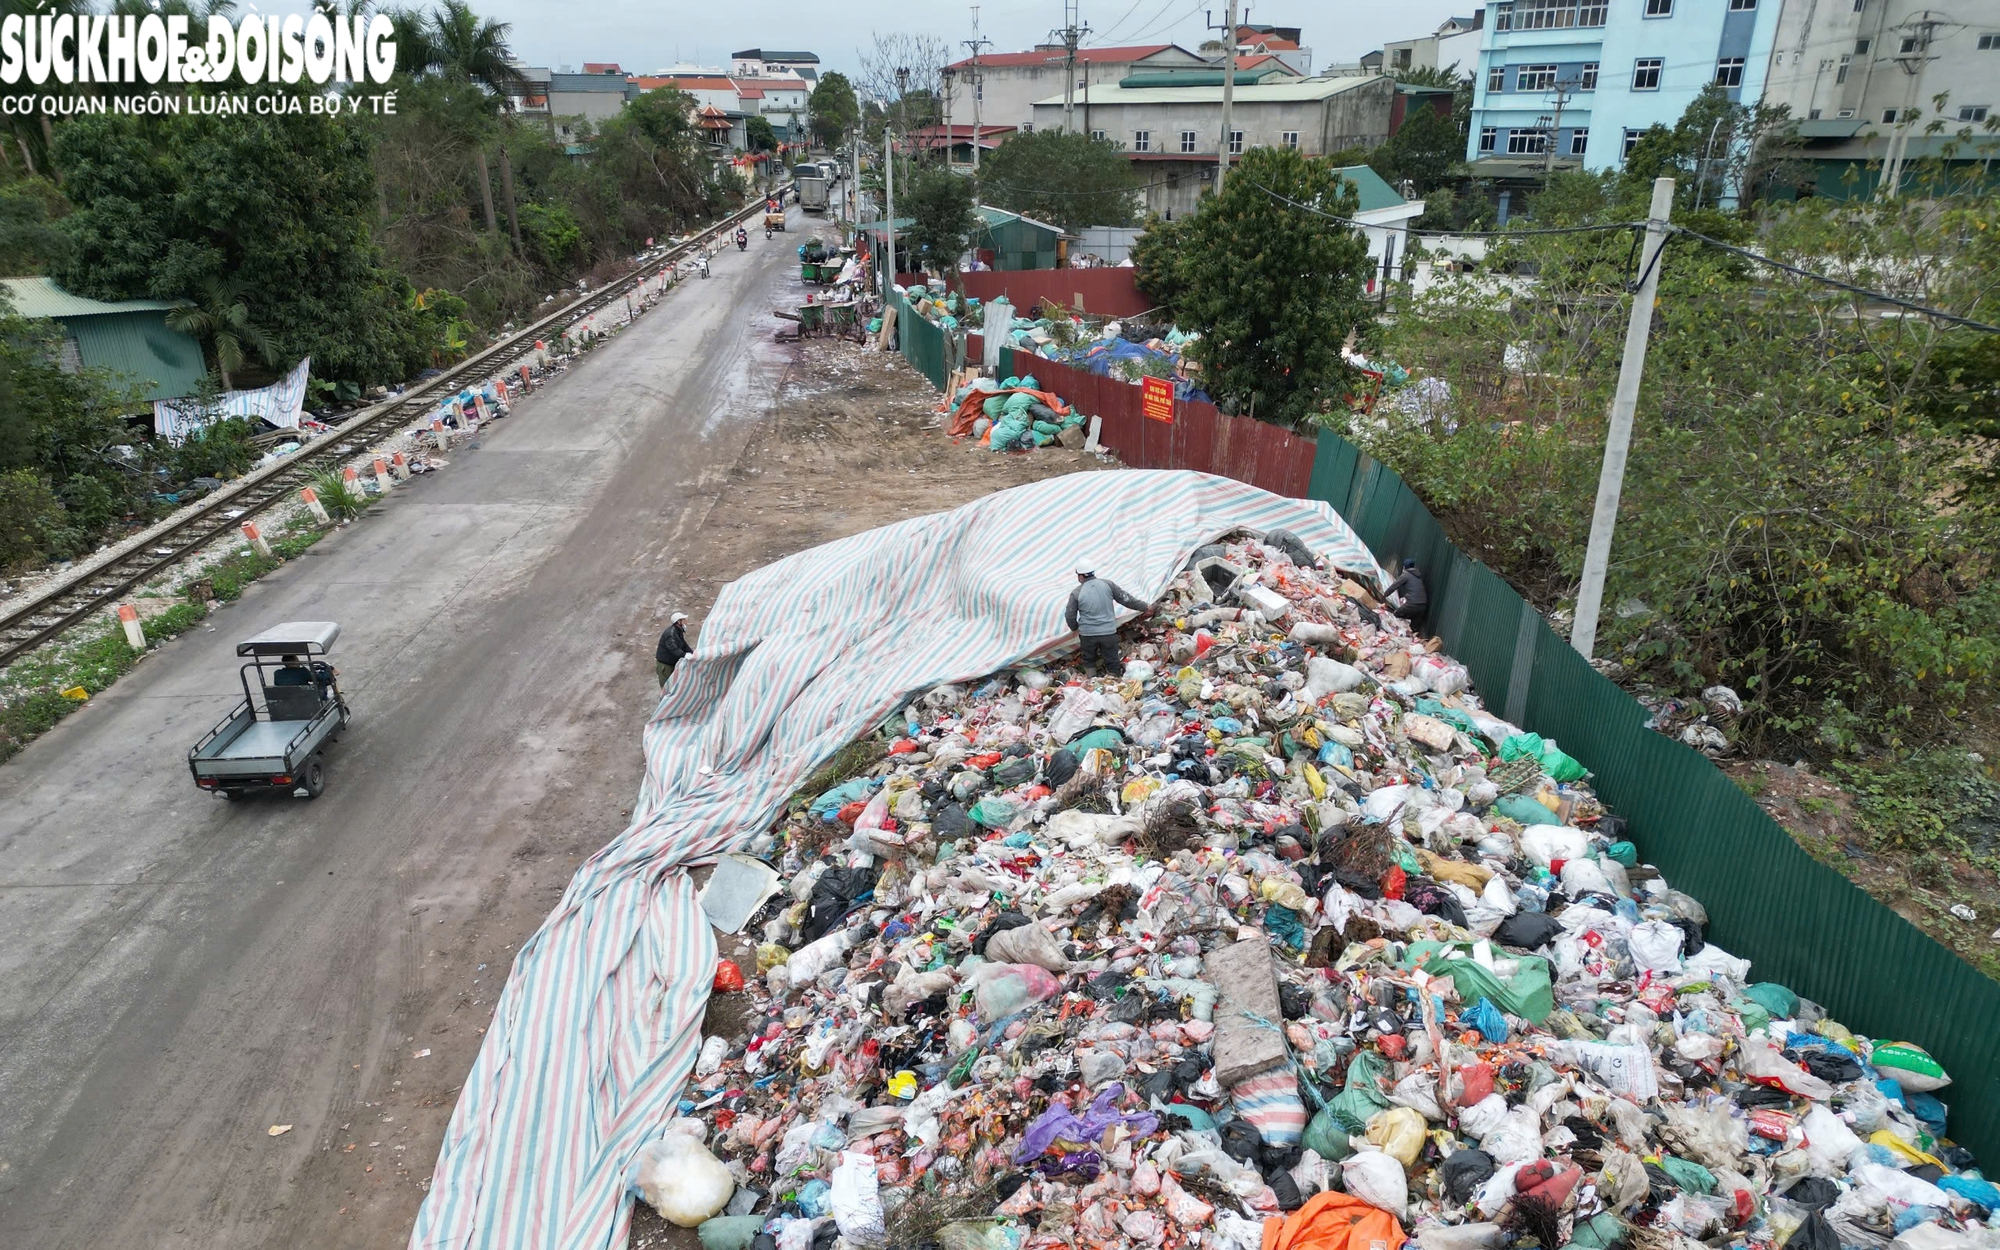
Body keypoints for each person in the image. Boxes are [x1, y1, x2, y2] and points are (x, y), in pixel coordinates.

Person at [1065, 564, 1150, 677]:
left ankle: (1092, 681)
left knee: (1089, 660)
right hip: (1108, 633)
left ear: (1080, 576)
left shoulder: (1076, 592)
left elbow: (1070, 615)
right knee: (1112, 659)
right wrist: (1145, 607)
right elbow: (1127, 599)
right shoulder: (1108, 584)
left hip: (1088, 635)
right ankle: (1114, 681)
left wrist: (1074, 627)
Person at [1386, 559, 1429, 632]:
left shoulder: (1406, 575)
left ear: (1404, 567)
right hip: (1423, 606)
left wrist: (1385, 594)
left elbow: (1394, 586)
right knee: (1413, 629)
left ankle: (1395, 633)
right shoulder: (1418, 576)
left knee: (1397, 614)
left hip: (1412, 604)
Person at [656, 612, 694, 685]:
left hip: (672, 664)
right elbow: (673, 648)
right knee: (667, 688)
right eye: (684, 620)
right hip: (665, 666)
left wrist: (692, 653)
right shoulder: (670, 633)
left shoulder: (678, 631)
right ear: (678, 622)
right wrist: (684, 655)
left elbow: (683, 644)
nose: (686, 621)